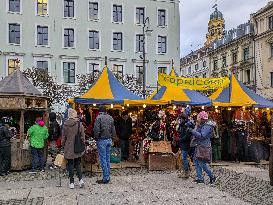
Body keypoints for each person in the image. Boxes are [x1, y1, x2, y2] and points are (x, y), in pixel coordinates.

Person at [189, 111, 216, 184]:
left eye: (199, 118)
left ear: (202, 118)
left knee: (202, 163)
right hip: (200, 145)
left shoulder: (207, 126)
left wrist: (192, 131)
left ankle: (212, 176)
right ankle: (200, 178)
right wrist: (196, 126)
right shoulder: (203, 125)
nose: (198, 119)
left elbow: (202, 136)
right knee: (196, 161)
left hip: (204, 146)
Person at [62, 108, 85, 189]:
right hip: (77, 146)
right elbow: (83, 137)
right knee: (78, 163)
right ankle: (81, 180)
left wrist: (63, 145)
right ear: (75, 114)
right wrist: (82, 143)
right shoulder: (79, 124)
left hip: (68, 147)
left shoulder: (65, 125)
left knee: (70, 165)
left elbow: (63, 138)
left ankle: (71, 183)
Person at [93, 105, 116, 184]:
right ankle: (108, 176)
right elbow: (113, 130)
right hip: (109, 139)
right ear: (106, 111)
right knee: (107, 159)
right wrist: (113, 138)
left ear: (99, 111)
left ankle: (106, 178)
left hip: (101, 140)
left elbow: (96, 130)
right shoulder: (110, 118)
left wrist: (96, 138)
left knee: (103, 159)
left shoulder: (98, 117)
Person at [177, 107, 194, 179]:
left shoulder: (187, 125)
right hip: (184, 143)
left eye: (180, 119)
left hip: (185, 143)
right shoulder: (183, 125)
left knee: (184, 158)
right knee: (184, 157)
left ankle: (186, 172)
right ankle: (185, 171)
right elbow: (179, 131)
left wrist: (180, 139)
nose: (179, 120)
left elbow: (187, 136)